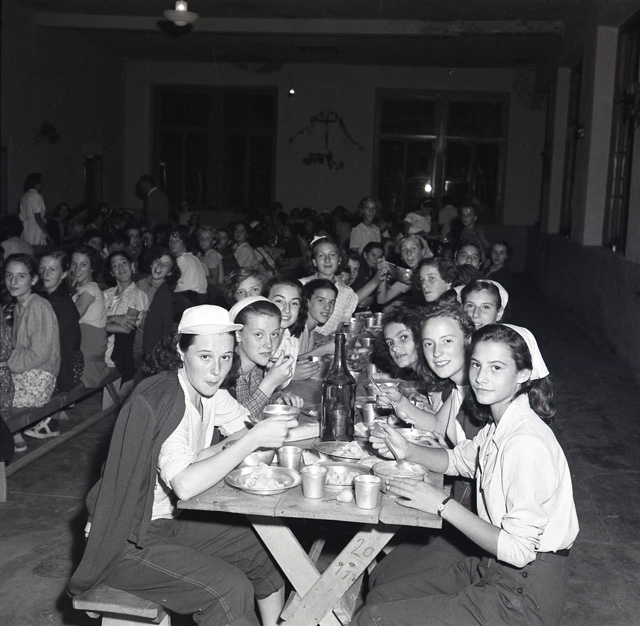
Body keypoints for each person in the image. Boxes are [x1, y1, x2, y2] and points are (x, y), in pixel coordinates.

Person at [67, 305, 297, 626]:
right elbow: (185, 485)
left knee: (264, 548)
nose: (216, 370)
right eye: (205, 356)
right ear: (180, 350)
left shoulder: (210, 392)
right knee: (227, 589)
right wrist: (251, 440)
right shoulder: (165, 398)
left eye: (225, 357)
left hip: (168, 523)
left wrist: (257, 436)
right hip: (126, 541)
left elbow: (246, 430)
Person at [358, 324, 578, 626]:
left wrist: (441, 504)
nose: (480, 377)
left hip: (523, 595)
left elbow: (518, 551)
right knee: (383, 593)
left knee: (373, 618)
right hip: (491, 568)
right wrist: (406, 450)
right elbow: (458, 460)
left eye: (496, 367)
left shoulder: (525, 442)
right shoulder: (499, 424)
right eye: (476, 364)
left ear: (523, 374)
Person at [3, 254, 60, 452]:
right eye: (9, 275)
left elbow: (38, 354)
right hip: (27, 374)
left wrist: (6, 363)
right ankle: (13, 435)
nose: (13, 281)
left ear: (34, 279)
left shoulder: (38, 306)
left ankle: (8, 440)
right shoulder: (20, 305)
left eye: (21, 276)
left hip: (38, 380)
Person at [228, 297, 302, 423]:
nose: (269, 344)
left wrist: (278, 398)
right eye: (258, 334)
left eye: (274, 334)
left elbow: (256, 400)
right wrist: (270, 383)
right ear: (237, 334)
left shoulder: (256, 369)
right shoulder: (224, 374)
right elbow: (236, 423)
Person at [262, 274, 318, 382]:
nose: (287, 309)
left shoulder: (291, 339)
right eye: (279, 301)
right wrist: (291, 374)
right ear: (265, 302)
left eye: (294, 303)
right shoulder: (257, 339)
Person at [103, 251, 149, 382]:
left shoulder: (138, 294)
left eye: (124, 263)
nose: (121, 268)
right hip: (98, 346)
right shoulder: (105, 294)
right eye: (115, 265)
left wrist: (94, 326)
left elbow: (126, 328)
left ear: (132, 266)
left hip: (117, 353)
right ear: (112, 272)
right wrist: (113, 319)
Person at [300, 236, 358, 336]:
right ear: (314, 262)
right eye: (321, 255)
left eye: (332, 255)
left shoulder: (347, 293)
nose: (327, 260)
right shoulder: (301, 286)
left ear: (339, 260)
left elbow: (338, 330)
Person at [69, 246, 108, 388]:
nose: (77, 269)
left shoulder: (89, 290)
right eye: (74, 264)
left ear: (92, 268)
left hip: (88, 347)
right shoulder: (81, 289)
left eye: (83, 265)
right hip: (86, 343)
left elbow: (72, 316)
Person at [140, 247, 181, 357]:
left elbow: (166, 328)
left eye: (165, 265)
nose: (159, 266)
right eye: (157, 261)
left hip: (148, 345)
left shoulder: (164, 294)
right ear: (151, 263)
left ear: (169, 272)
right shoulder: (140, 284)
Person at [376, 234, 432, 307]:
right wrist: (383, 271)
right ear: (401, 256)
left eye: (413, 248)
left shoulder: (433, 271)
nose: (409, 253)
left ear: (423, 252)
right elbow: (381, 300)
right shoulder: (407, 276)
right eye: (404, 249)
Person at [169, 226, 207, 305]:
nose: (172, 244)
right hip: (201, 298)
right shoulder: (195, 258)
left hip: (188, 299)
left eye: (177, 241)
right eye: (170, 240)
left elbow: (170, 283)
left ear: (185, 243)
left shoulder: (181, 259)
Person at [19, 173, 50, 246]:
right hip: (35, 228)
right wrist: (47, 235)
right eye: (41, 182)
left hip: (26, 228)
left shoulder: (25, 196)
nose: (42, 184)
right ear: (35, 184)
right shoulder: (36, 196)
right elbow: (37, 215)